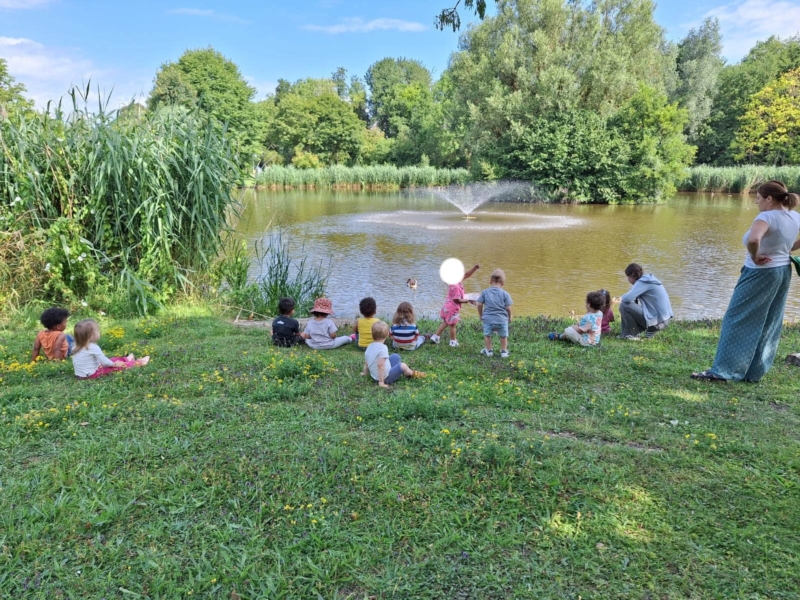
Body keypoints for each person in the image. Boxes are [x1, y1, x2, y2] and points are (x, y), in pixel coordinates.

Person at [692, 180, 800, 383]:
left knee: (736, 318)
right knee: (770, 320)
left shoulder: (766, 216)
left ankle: (722, 371)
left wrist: (756, 256)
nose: (757, 202)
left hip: (760, 272)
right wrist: (785, 249)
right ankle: (753, 373)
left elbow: (753, 240)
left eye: (758, 198)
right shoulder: (794, 215)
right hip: (782, 271)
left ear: (769, 198)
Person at [71, 319, 149, 379]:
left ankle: (126, 359)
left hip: (81, 376)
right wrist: (115, 364)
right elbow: (105, 363)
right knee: (116, 366)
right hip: (92, 374)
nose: (99, 332)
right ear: (91, 335)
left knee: (112, 359)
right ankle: (139, 362)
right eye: (98, 331)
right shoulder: (93, 347)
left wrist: (112, 362)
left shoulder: (76, 346)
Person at [618, 263, 673, 340]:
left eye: (627, 277)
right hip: (664, 320)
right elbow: (630, 295)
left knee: (624, 305)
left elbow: (628, 298)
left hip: (658, 321)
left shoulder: (642, 282)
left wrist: (620, 298)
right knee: (628, 304)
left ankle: (632, 334)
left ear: (631, 276)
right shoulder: (648, 279)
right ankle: (626, 334)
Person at [363, 321, 426, 387]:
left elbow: (366, 362)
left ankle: (396, 371)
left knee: (396, 356)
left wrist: (365, 373)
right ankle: (411, 373)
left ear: (372, 334)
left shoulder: (369, 346)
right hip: (384, 378)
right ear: (387, 334)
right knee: (403, 366)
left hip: (375, 374)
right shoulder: (383, 348)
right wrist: (381, 382)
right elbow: (380, 365)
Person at [430, 263, 480, 347]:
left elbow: (467, 275)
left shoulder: (454, 282)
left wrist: (474, 268)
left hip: (447, 307)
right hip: (452, 308)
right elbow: (456, 300)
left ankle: (436, 337)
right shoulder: (456, 286)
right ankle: (453, 341)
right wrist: (468, 300)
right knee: (452, 326)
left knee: (446, 322)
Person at [477, 268, 513, 358]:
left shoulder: (485, 292)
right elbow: (508, 308)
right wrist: (509, 317)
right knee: (503, 336)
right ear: (503, 283)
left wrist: (481, 315)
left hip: (488, 319)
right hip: (502, 320)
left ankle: (489, 351)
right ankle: (504, 351)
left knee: (487, 335)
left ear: (490, 281)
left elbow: (479, 304)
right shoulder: (505, 294)